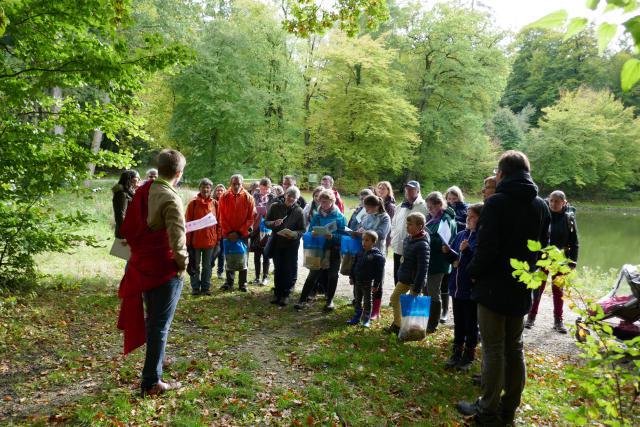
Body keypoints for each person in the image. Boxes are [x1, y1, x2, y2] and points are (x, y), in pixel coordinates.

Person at [456, 151, 551, 426]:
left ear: (501, 174)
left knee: (494, 349)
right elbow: (541, 249)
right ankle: (508, 409)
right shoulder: (541, 206)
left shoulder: (496, 203)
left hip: (493, 288)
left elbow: (487, 249)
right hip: (522, 286)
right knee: (515, 348)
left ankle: (487, 410)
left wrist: (472, 273)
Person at [117, 149, 188, 397]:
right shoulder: (170, 197)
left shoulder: (143, 191)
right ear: (178, 174)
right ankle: (151, 382)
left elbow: (129, 227)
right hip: (162, 269)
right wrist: (183, 266)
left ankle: (155, 359)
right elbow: (178, 241)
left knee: (153, 320)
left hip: (141, 265)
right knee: (159, 325)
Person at [525, 190, 579, 334]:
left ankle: (558, 320)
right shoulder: (543, 215)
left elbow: (575, 242)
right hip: (542, 257)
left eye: (557, 201)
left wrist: (573, 262)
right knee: (537, 288)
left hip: (560, 259)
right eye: (551, 201)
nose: (554, 204)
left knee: (558, 290)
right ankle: (531, 317)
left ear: (564, 202)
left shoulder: (569, 218)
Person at [442, 203, 483, 370]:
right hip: (456, 286)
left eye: (472, 217)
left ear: (481, 219)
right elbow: (456, 261)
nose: (468, 219)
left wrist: (466, 251)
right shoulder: (460, 235)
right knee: (458, 322)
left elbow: (477, 261)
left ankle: (469, 355)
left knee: (470, 324)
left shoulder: (481, 238)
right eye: (467, 216)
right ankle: (456, 352)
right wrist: (447, 253)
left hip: (470, 289)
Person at [294, 189, 346, 312]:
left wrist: (333, 236)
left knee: (333, 276)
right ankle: (302, 300)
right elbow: (311, 230)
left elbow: (345, 236)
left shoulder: (340, 217)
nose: (324, 205)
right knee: (313, 275)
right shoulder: (317, 216)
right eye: (321, 202)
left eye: (326, 202)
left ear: (333, 201)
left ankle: (329, 301)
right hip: (318, 249)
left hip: (334, 249)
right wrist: (313, 233)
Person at [386, 212, 430, 335]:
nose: (407, 227)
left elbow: (423, 268)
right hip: (405, 277)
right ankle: (398, 325)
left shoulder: (423, 244)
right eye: (407, 224)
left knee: (412, 307)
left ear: (420, 226)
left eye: (410, 225)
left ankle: (414, 331)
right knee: (395, 298)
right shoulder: (408, 239)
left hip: (415, 281)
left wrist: (417, 287)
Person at [264, 186, 306, 306]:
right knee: (278, 269)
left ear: (297, 199)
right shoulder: (275, 206)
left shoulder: (299, 211)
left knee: (288, 269)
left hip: (291, 244)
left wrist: (294, 234)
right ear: (285, 195)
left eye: (294, 197)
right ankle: (277, 294)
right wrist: (273, 223)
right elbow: (266, 222)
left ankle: (286, 295)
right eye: (289, 196)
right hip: (277, 242)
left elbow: (302, 229)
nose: (291, 198)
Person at [424, 191, 457, 333]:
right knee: (427, 290)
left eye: (431, 207)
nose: (429, 210)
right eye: (428, 207)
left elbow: (445, 241)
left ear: (439, 204)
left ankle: (433, 323)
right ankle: (427, 318)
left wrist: (427, 235)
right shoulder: (432, 218)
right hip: (429, 259)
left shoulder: (446, 219)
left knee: (433, 291)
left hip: (439, 261)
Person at [355, 195, 391, 320]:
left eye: (368, 207)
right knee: (363, 280)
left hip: (377, 253)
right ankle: (362, 306)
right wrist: (358, 231)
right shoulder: (366, 215)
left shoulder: (385, 217)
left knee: (377, 281)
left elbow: (381, 234)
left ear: (375, 206)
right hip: (364, 251)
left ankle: (376, 310)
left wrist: (366, 231)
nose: (365, 209)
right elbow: (361, 226)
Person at [218, 174, 255, 292]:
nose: (236, 186)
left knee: (243, 258)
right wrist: (229, 232)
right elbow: (221, 216)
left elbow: (251, 218)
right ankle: (229, 282)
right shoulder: (224, 197)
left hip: (242, 235)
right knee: (229, 257)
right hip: (227, 234)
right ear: (230, 184)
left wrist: (239, 233)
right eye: (234, 184)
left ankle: (242, 283)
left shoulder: (249, 198)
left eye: (238, 184)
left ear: (242, 184)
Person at [389, 181, 429, 284]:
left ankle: (411, 297)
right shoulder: (400, 206)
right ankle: (398, 299)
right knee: (397, 275)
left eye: (411, 189)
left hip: (414, 248)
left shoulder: (424, 207)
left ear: (418, 191)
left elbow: (426, 227)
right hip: (399, 247)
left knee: (412, 276)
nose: (408, 192)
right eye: (407, 189)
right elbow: (393, 224)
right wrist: (393, 237)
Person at [185, 178, 219, 296]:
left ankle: (205, 287)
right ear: (199, 188)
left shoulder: (215, 203)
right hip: (195, 242)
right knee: (195, 265)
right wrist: (188, 242)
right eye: (203, 187)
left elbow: (219, 223)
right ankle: (195, 288)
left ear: (211, 189)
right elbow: (187, 223)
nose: (205, 189)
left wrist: (218, 238)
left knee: (207, 266)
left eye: (208, 187)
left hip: (210, 241)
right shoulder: (193, 203)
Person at [347, 230, 385, 328]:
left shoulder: (377, 256)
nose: (364, 242)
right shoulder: (359, 253)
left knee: (368, 301)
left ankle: (366, 319)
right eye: (363, 240)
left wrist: (376, 285)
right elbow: (354, 266)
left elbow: (379, 273)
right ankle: (356, 316)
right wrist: (352, 277)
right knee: (357, 300)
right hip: (357, 282)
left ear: (373, 242)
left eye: (367, 240)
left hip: (368, 283)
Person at [441, 186, 468, 324]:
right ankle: (442, 309)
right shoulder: (444, 210)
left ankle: (447, 310)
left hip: (458, 245)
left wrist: (454, 222)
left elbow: (466, 225)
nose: (451, 201)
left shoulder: (464, 209)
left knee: (451, 278)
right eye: (449, 198)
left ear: (459, 197)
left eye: (454, 198)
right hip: (446, 244)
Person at [250, 177, 275, 286]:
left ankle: (265, 277)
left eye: (266, 189)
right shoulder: (254, 196)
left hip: (268, 228)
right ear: (259, 187)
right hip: (256, 227)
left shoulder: (273, 198)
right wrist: (256, 212)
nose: (264, 191)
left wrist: (267, 214)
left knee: (265, 253)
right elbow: (250, 209)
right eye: (262, 188)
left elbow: (275, 212)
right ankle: (256, 277)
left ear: (269, 188)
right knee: (256, 253)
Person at [112, 170, 140, 240]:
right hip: (126, 234)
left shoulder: (129, 192)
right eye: (138, 178)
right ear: (130, 179)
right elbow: (120, 216)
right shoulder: (122, 194)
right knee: (121, 251)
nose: (139, 180)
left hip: (132, 232)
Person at [375, 181, 396, 252]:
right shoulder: (376, 202)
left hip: (384, 237)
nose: (380, 190)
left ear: (388, 190)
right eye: (379, 188)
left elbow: (389, 225)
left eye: (383, 189)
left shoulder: (390, 206)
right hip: (373, 234)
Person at [212, 184, 226, 280]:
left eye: (221, 190)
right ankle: (210, 267)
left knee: (222, 253)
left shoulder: (226, 201)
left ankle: (220, 271)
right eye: (218, 190)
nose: (219, 192)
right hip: (213, 231)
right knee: (213, 252)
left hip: (224, 230)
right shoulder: (212, 202)